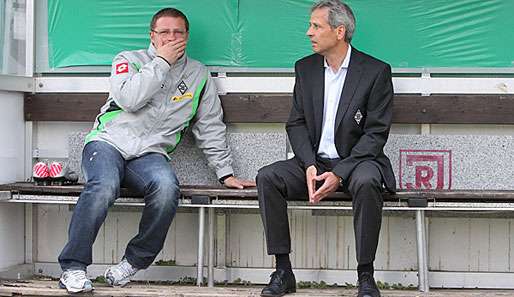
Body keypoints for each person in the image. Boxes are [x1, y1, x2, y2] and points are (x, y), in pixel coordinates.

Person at [57, 8, 255, 293]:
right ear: (152, 35)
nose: (171, 38)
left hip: (150, 154)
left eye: (178, 32)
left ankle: (132, 262)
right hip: (108, 143)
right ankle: (73, 268)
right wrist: (161, 62)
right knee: (103, 185)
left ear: (187, 36)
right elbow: (128, 99)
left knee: (165, 188)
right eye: (164, 32)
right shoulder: (128, 60)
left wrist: (225, 173)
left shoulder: (198, 75)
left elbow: (210, 126)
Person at [256, 1, 396, 296]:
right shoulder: (305, 69)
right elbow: (296, 124)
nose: (309, 33)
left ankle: (365, 275)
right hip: (313, 161)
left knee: (369, 181)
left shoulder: (375, 71)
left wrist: (340, 173)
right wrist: (308, 164)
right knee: (268, 177)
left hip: (359, 161)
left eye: (316, 26)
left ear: (340, 31)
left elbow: (375, 134)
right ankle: (283, 271)